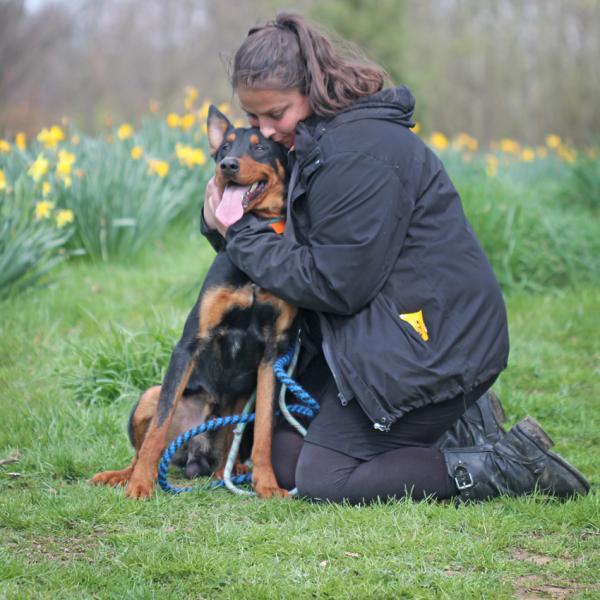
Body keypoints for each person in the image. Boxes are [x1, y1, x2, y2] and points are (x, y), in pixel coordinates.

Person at [201, 13, 590, 504]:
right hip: (380, 331)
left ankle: (506, 465)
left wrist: (238, 234)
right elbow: (279, 238)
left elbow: (336, 285)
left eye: (274, 114)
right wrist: (225, 213)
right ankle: (459, 425)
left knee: (326, 479)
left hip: (436, 343)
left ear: (313, 87)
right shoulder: (311, 140)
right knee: (278, 451)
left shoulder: (363, 153)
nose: (265, 130)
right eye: (254, 118)